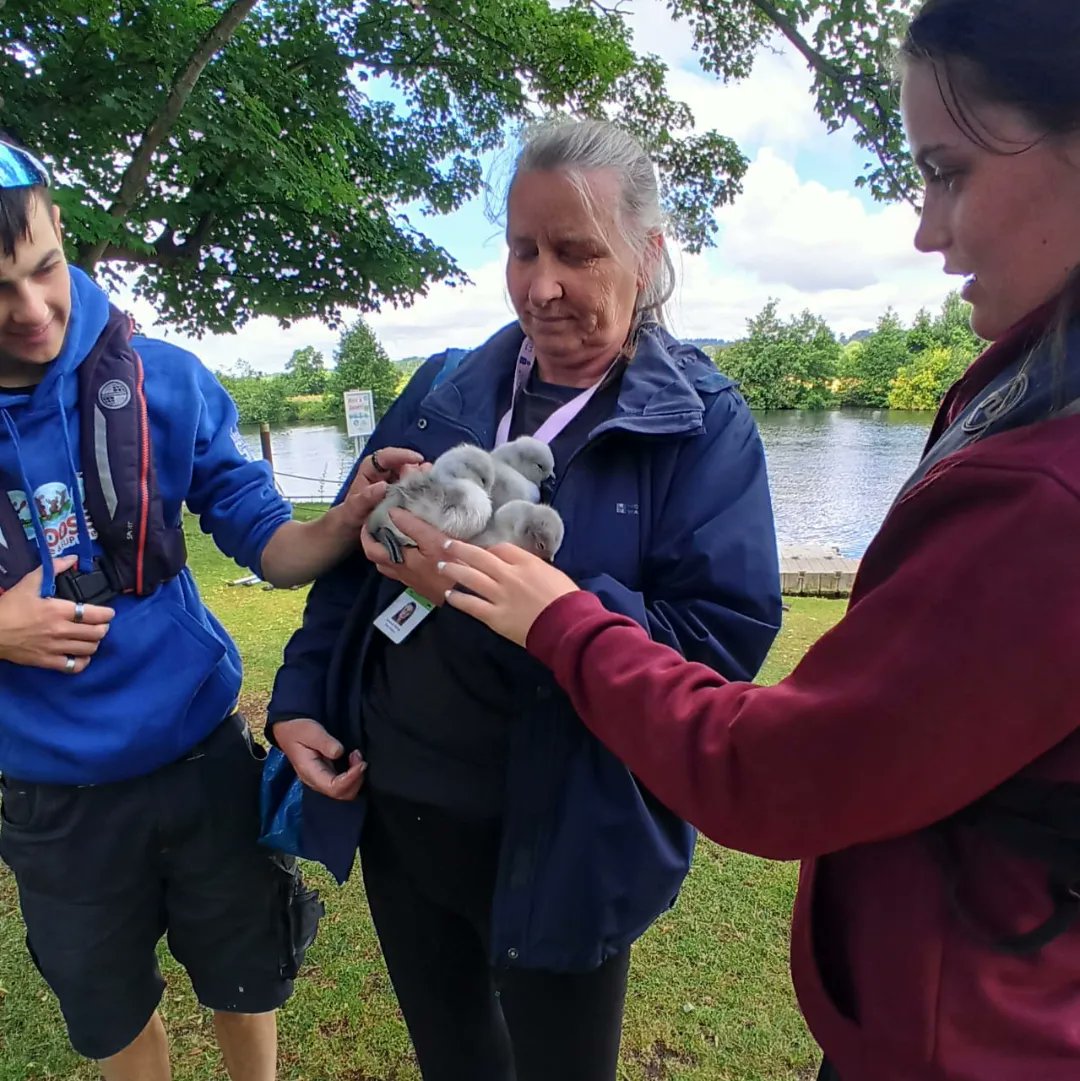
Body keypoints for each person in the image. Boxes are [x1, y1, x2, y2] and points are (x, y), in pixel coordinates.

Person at [413, 2, 1080, 1079]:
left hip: (977, 1021)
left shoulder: (1043, 484)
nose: (923, 226)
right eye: (521, 251)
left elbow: (762, 724)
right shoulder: (1027, 373)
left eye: (950, 170)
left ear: (646, 256)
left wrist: (562, 612)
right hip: (938, 983)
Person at [268, 118, 782, 1081]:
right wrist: (300, 697)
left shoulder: (702, 425)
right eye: (523, 249)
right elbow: (351, 565)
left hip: (564, 832)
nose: (542, 286)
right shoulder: (440, 388)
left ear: (648, 253)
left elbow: (718, 645)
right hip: (403, 810)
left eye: (577, 253)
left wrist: (489, 584)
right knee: (452, 1057)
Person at [0, 134, 421, 1081]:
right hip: (53, 794)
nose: (32, 311)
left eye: (44, 269)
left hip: (199, 757)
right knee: (108, 1006)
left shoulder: (167, 382)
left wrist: (346, 517)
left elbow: (269, 541)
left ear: (61, 231)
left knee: (246, 970)